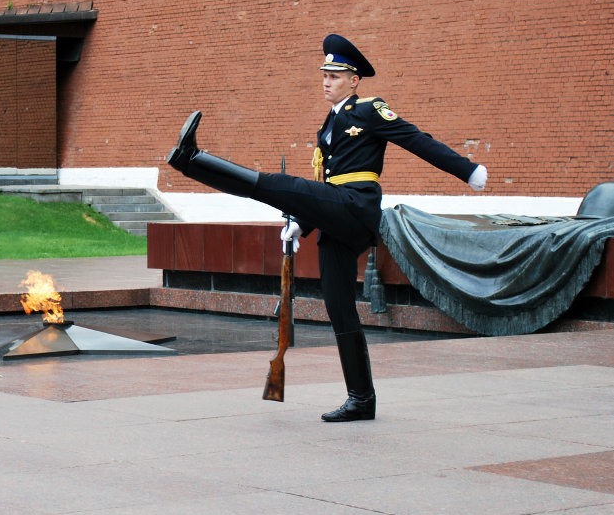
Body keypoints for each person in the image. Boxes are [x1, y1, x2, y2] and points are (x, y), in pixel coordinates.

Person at [168, 34, 488, 422]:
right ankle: (361, 399)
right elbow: (320, 191)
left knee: (279, 186)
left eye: (335, 75)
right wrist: (301, 224)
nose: (326, 80)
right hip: (334, 214)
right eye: (324, 74)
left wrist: (467, 170)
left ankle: (193, 160)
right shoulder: (327, 128)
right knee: (338, 307)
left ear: (354, 81)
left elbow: (417, 141)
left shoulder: (369, 111)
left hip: (356, 206)